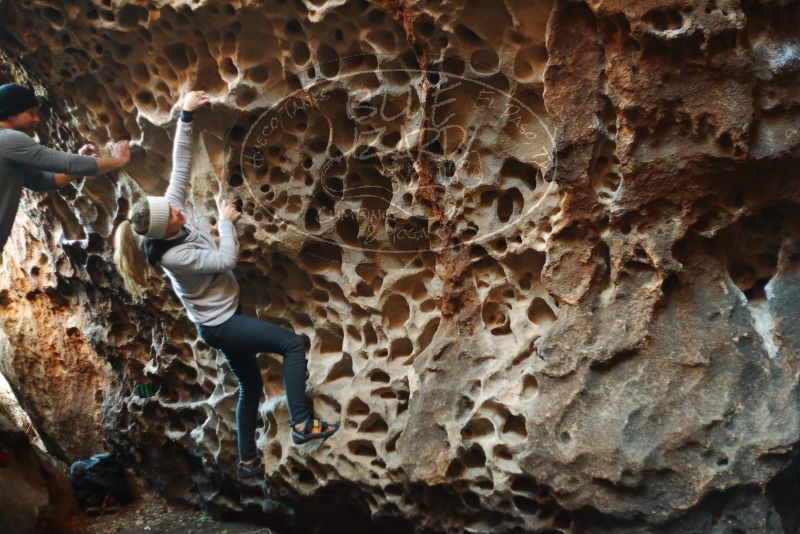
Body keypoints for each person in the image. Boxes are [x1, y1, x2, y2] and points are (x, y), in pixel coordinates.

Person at [112, 90, 339, 479]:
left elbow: (180, 167)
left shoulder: (169, 212)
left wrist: (185, 116)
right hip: (221, 326)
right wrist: (226, 224)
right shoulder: (173, 256)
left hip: (221, 320)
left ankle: (247, 461)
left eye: (174, 208)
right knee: (290, 345)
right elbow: (225, 260)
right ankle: (303, 425)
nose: (180, 213)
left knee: (250, 387)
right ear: (160, 234)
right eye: (173, 218)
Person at [0, 83, 130, 253]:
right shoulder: (7, 139)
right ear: (10, 113)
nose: (37, 119)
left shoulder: (8, 150)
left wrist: (83, 161)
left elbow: (44, 180)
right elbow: (69, 163)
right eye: (30, 113)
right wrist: (119, 160)